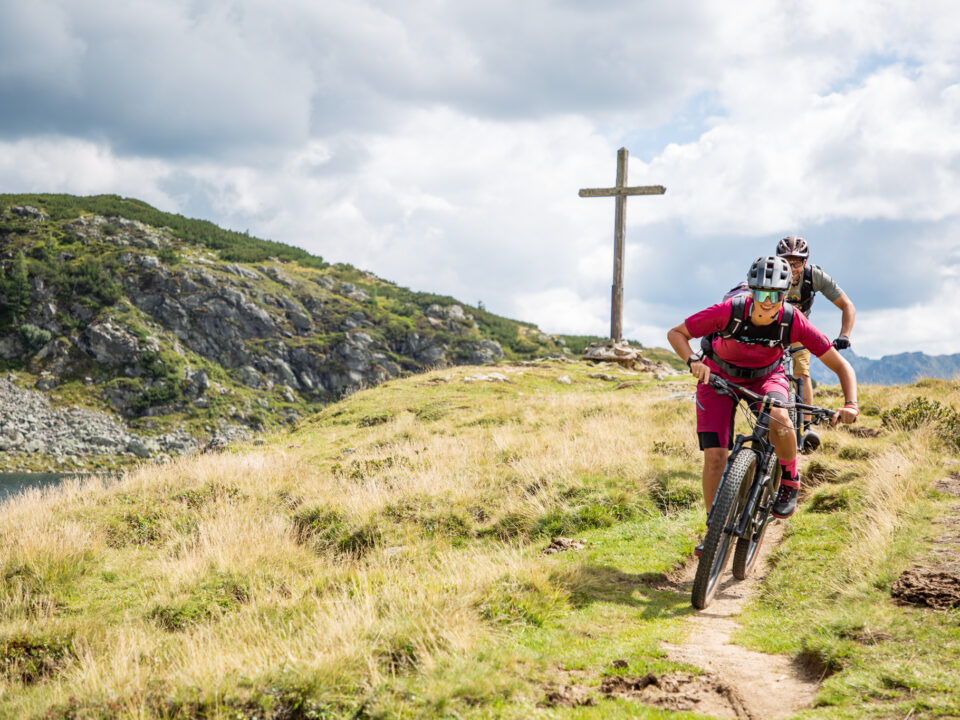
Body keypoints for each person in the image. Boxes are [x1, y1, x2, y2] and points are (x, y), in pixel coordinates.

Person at [666, 256, 859, 535]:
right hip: (718, 376)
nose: (767, 301)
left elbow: (841, 366)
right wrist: (693, 361)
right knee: (716, 457)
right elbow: (676, 333)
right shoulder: (729, 310)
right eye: (760, 293)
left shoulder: (794, 320)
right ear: (751, 290)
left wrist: (850, 405)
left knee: (780, 417)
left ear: (785, 294)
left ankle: (790, 480)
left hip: (767, 377)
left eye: (775, 294)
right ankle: (713, 530)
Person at [776, 236, 856, 431]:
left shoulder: (815, 277)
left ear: (805, 262)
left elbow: (847, 305)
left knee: (802, 372)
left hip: (799, 331)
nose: (791, 268)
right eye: (785, 262)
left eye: (796, 263)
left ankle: (806, 426)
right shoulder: (770, 274)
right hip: (772, 329)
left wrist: (844, 334)